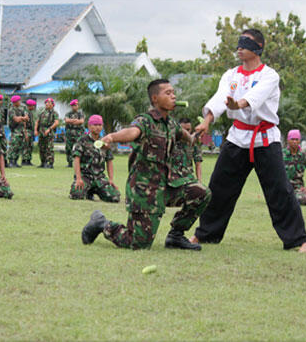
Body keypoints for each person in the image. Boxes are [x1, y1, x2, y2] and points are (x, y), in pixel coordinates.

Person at [191, 29, 306, 253]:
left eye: (245, 43)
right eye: (239, 42)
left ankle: (298, 240)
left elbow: (255, 97)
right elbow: (219, 98)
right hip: (237, 137)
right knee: (219, 187)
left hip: (265, 139)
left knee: (279, 190)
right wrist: (207, 120)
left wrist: (239, 105)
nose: (239, 47)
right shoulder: (231, 75)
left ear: (258, 47)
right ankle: (205, 234)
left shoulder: (269, 75)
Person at [81, 79, 210, 250]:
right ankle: (102, 224)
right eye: (168, 93)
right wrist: (112, 137)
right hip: (145, 190)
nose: (174, 96)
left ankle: (176, 236)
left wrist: (193, 138)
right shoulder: (145, 121)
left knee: (201, 193)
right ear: (155, 98)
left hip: (168, 185)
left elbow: (183, 134)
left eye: (174, 93)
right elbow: (132, 132)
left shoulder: (171, 123)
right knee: (139, 243)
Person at [69, 114, 120, 203]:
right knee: (76, 194)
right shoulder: (82, 140)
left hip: (99, 178)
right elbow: (76, 159)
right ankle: (88, 191)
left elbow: (109, 161)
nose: (97, 127)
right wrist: (78, 178)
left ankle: (95, 190)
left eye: (100, 125)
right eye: (95, 125)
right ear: (89, 126)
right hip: (85, 176)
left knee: (114, 197)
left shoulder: (104, 142)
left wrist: (111, 180)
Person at [283, 129, 306, 206]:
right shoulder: (280, 155)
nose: (294, 141)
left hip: (297, 189)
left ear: (299, 141)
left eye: (297, 139)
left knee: (303, 199)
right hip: (283, 188)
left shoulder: (305, 157)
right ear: (288, 140)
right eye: (292, 139)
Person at [172, 118, 203, 182]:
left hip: (188, 178)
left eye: (188, 130)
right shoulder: (172, 141)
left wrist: (199, 181)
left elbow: (198, 164)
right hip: (173, 179)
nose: (186, 132)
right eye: (184, 130)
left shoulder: (194, 144)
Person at [35, 98, 59, 168]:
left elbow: (56, 122)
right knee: (41, 147)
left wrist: (49, 129)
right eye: (46, 102)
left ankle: (50, 163)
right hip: (41, 130)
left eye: (49, 103)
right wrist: (36, 130)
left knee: (49, 147)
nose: (47, 104)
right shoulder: (42, 112)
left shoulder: (54, 113)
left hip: (49, 131)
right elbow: (37, 121)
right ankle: (43, 162)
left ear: (52, 104)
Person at [7, 95, 28, 168]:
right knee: (13, 146)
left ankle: (15, 161)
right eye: (18, 101)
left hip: (21, 130)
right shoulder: (11, 109)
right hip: (15, 130)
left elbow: (26, 119)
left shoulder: (22, 108)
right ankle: (11, 161)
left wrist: (25, 132)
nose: (20, 102)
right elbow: (16, 119)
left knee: (19, 146)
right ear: (15, 102)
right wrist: (23, 118)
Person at [64, 99, 85, 167]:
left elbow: (81, 121)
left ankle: (80, 162)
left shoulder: (80, 113)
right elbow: (66, 120)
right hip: (69, 133)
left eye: (76, 105)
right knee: (68, 148)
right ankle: (70, 163)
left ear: (78, 106)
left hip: (78, 133)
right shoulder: (68, 113)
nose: (74, 107)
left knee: (79, 147)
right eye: (73, 106)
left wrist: (71, 121)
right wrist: (75, 120)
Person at [22, 99, 36, 166]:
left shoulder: (31, 112)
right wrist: (25, 133)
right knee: (26, 146)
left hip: (31, 131)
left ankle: (28, 160)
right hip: (27, 130)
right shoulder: (26, 112)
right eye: (33, 106)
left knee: (30, 146)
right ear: (29, 106)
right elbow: (24, 123)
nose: (34, 107)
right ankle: (24, 160)